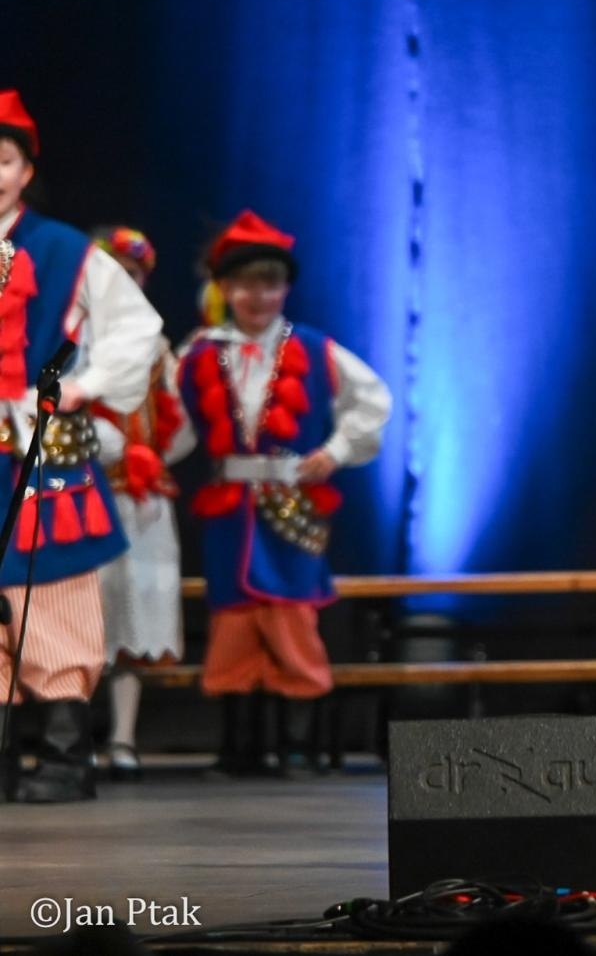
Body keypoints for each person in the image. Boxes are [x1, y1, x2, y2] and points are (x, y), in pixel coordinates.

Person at [175, 210, 390, 775]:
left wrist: (335, 453)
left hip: (293, 504)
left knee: (291, 615)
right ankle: (239, 744)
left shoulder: (316, 349)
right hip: (230, 509)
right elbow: (170, 425)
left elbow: (372, 402)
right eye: (245, 282)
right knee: (234, 618)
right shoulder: (198, 353)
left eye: (269, 282)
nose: (258, 295)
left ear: (286, 287)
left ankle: (294, 742)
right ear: (223, 287)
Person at [0, 91, 164, 803]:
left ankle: (69, 758)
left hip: (43, 451)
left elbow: (139, 330)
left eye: (1, 160)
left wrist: (78, 386)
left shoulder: (67, 250)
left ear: (25, 169)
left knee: (57, 596)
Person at [89, 227, 194, 781]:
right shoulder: (75, 339)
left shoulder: (156, 346)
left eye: (133, 274)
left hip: (141, 499)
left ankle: (122, 738)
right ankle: (73, 739)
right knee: (86, 617)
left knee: (134, 613)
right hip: (85, 492)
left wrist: (148, 457)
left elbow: (179, 422)